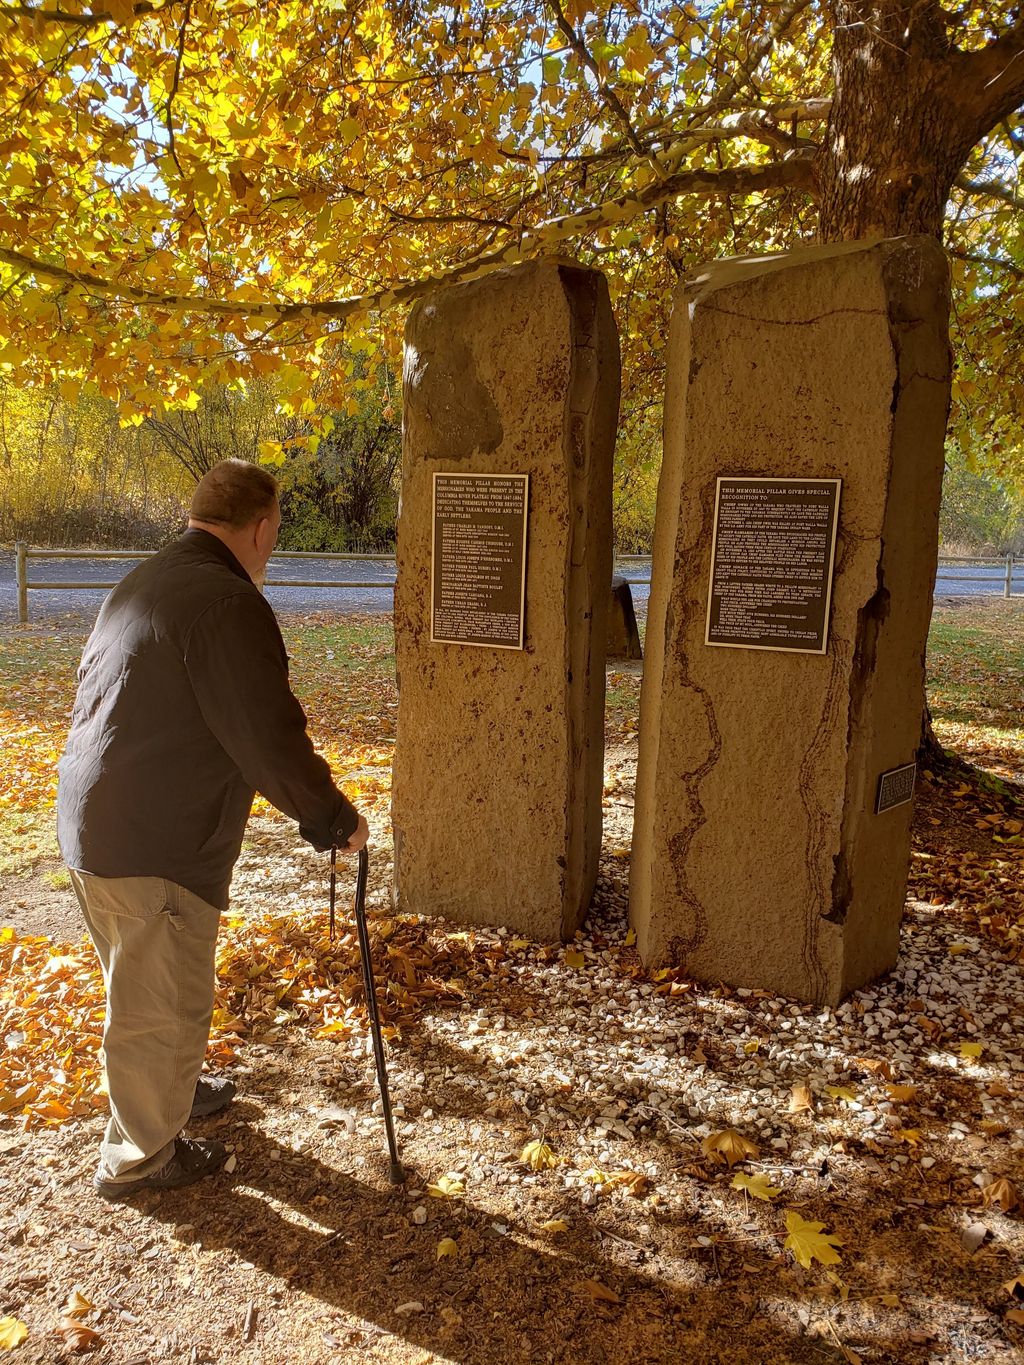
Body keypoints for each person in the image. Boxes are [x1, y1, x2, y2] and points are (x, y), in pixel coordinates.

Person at [57, 459, 368, 1201]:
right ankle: (139, 1158)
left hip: (96, 820)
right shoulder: (227, 603)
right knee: (158, 1003)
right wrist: (331, 817)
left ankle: (171, 1087)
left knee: (144, 984)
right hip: (148, 840)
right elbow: (265, 736)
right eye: (275, 533)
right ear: (261, 528)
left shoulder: (147, 580)